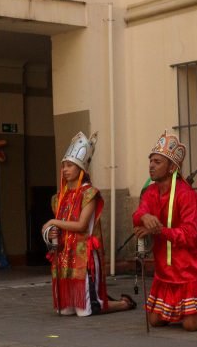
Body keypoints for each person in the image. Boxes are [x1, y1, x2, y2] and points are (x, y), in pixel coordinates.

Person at [132, 131, 197, 331]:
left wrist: (159, 230)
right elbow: (139, 213)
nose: (151, 166)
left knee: (191, 325)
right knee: (155, 321)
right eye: (151, 161)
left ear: (172, 167)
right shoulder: (151, 191)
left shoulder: (186, 194)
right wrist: (144, 217)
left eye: (157, 162)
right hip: (165, 270)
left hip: (189, 269)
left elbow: (188, 235)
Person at [43, 130, 135, 316]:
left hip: (83, 254)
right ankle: (99, 298)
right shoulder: (59, 197)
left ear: (81, 168)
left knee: (86, 311)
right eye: (64, 166)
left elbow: (81, 226)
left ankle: (123, 303)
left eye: (70, 165)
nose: (65, 170)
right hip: (64, 254)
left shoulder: (89, 194)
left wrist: (53, 221)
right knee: (65, 311)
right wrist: (51, 232)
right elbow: (58, 227)